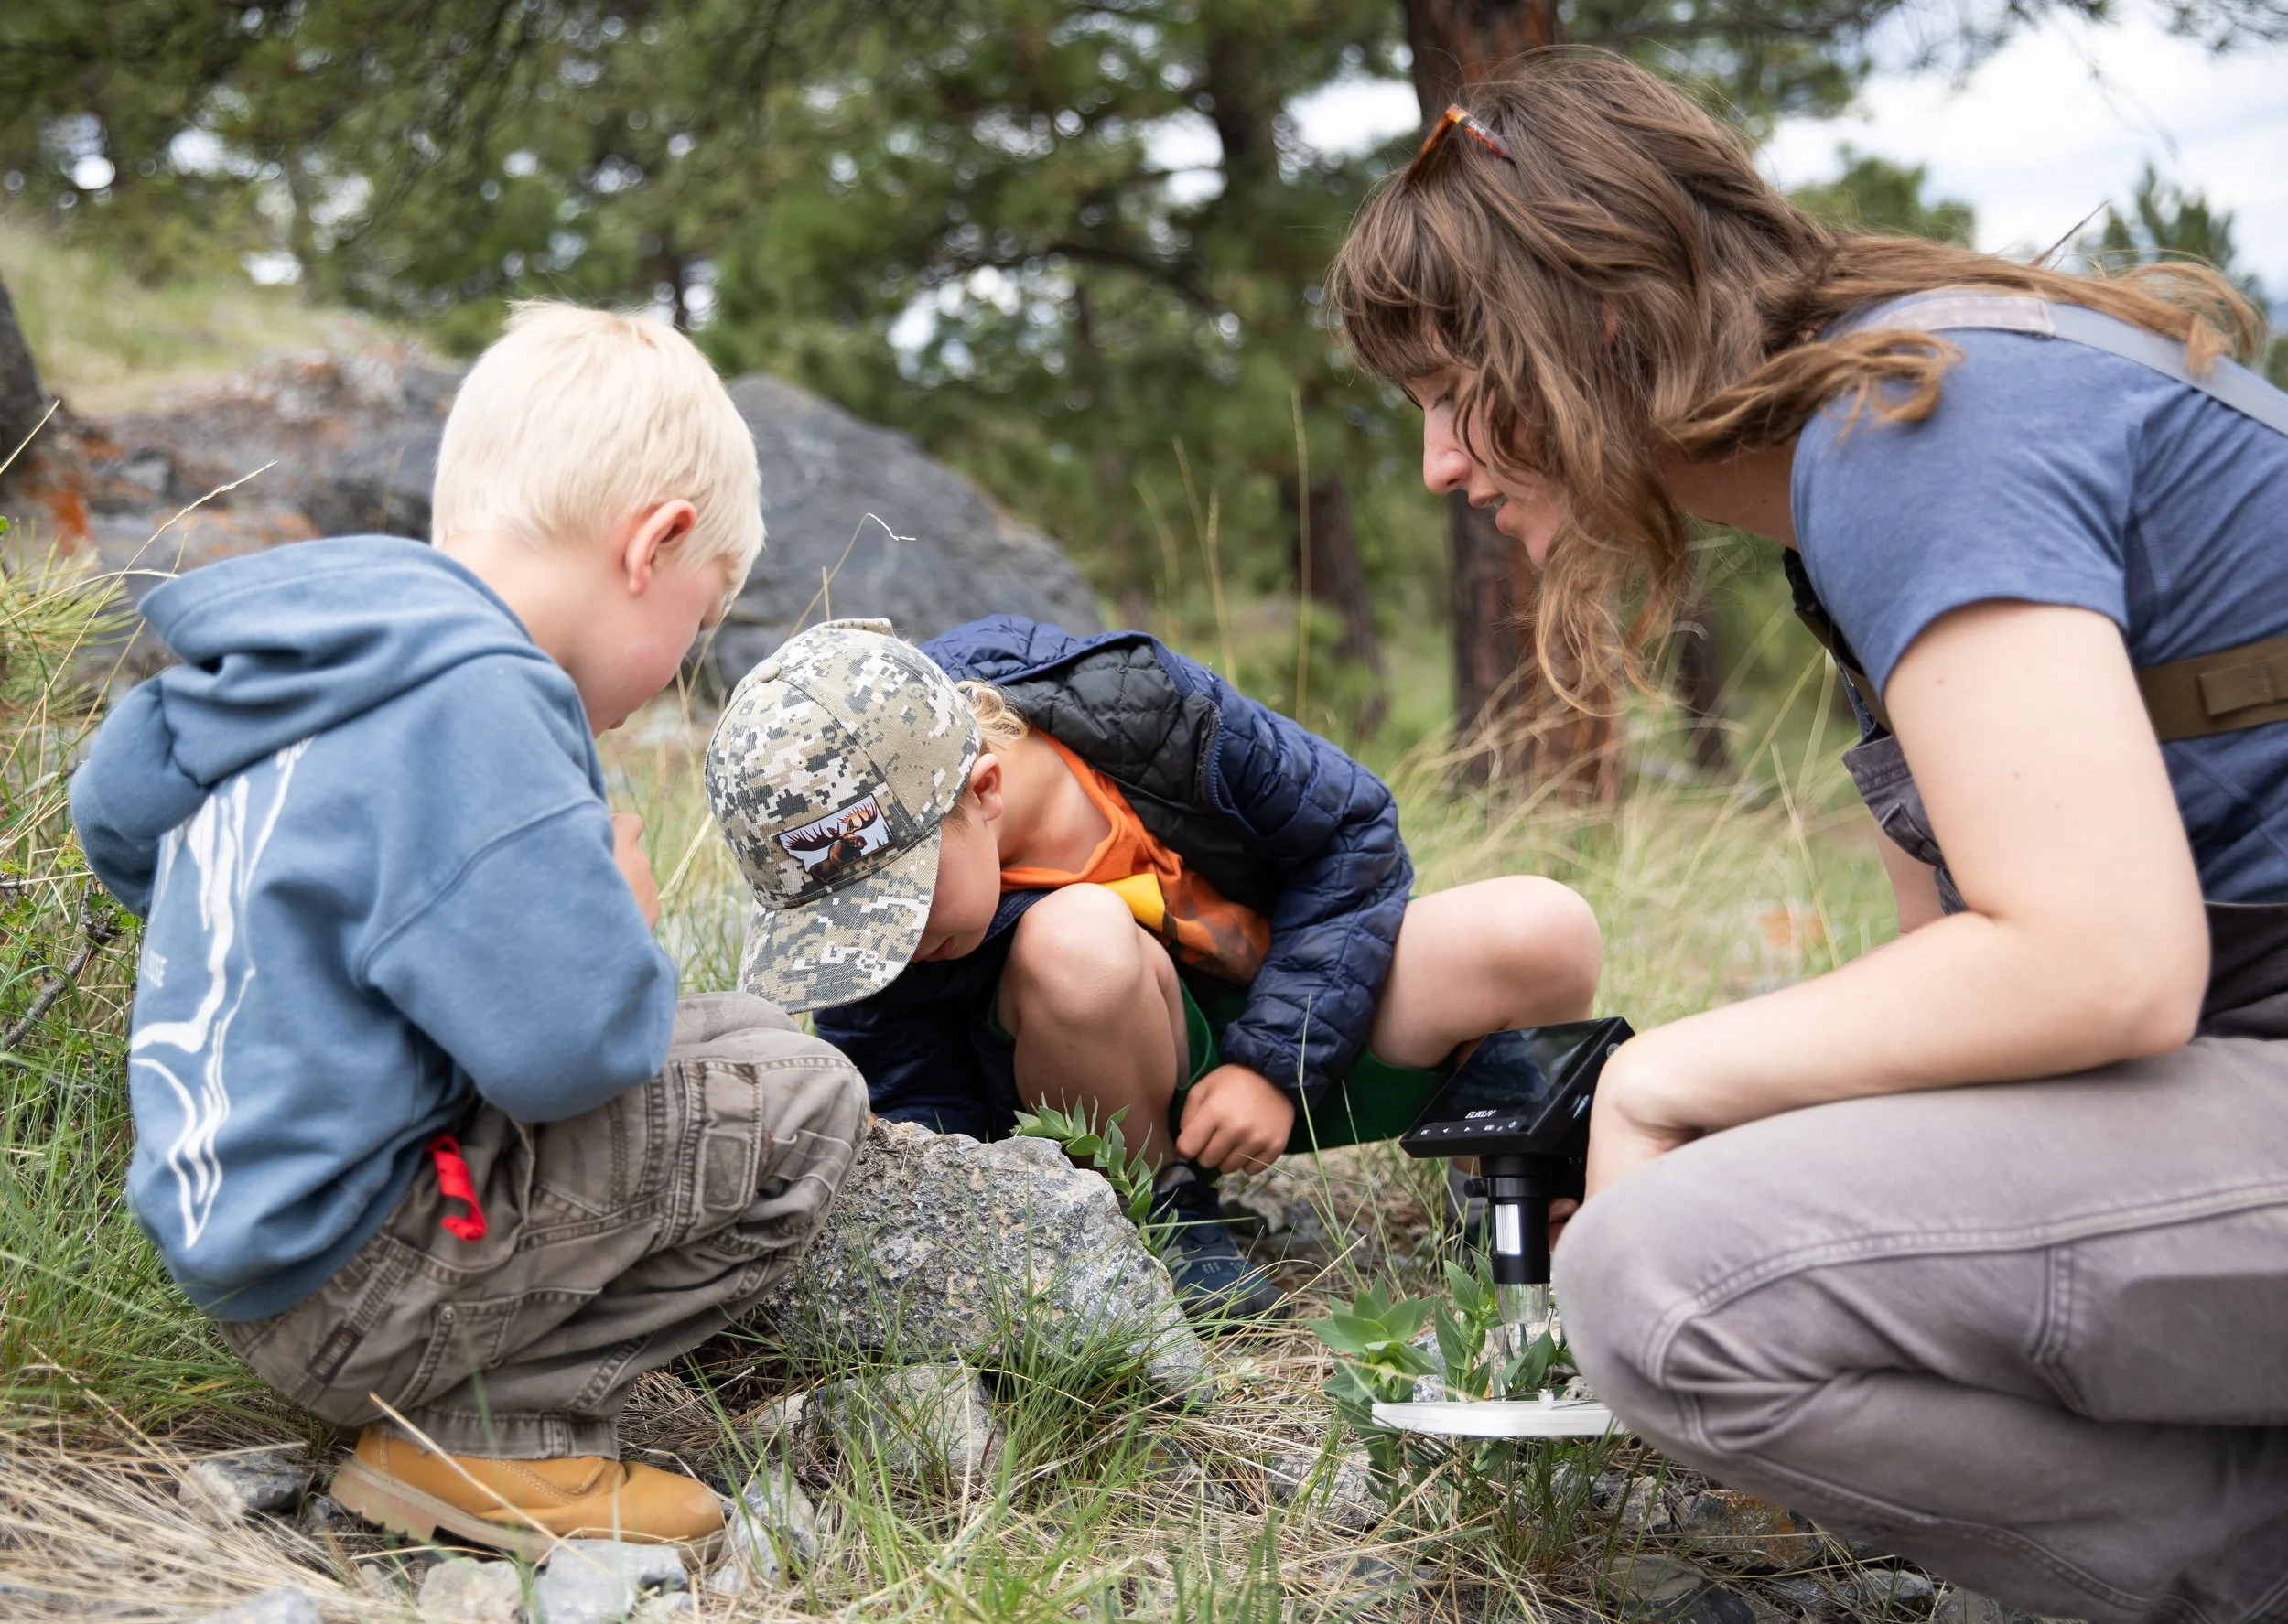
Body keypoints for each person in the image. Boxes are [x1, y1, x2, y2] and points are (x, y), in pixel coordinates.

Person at [1326, 48, 2288, 1622]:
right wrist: (1743, 1127)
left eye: (1453, 391)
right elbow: (1979, 1017)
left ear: (1603, 321)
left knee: (1666, 1286)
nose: (1441, 464)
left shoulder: (1913, 434)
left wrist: (1663, 1081)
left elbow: (2102, 967)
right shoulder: (1884, 444)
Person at [69, 304, 869, 1558]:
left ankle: (454, 1407)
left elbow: (114, 814)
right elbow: (572, 1050)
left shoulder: (311, 658)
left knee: (743, 1034)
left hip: (246, 1241)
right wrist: (631, 930)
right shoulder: (482, 695)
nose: (681, 662)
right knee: (804, 1094)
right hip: (363, 1277)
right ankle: (499, 1444)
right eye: (699, 623)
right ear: (652, 544)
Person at [704, 615, 1602, 1318]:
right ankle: (1162, 1214)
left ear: (983, 791)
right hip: (1090, 1094)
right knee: (1077, 938)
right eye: (848, 927)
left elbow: (1350, 835)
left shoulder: (1147, 711)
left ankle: (1502, 1187)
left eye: (896, 905)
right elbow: (908, 1094)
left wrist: (1271, 1065)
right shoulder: (895, 935)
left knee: (1543, 929)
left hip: (1287, 1043)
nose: (883, 945)